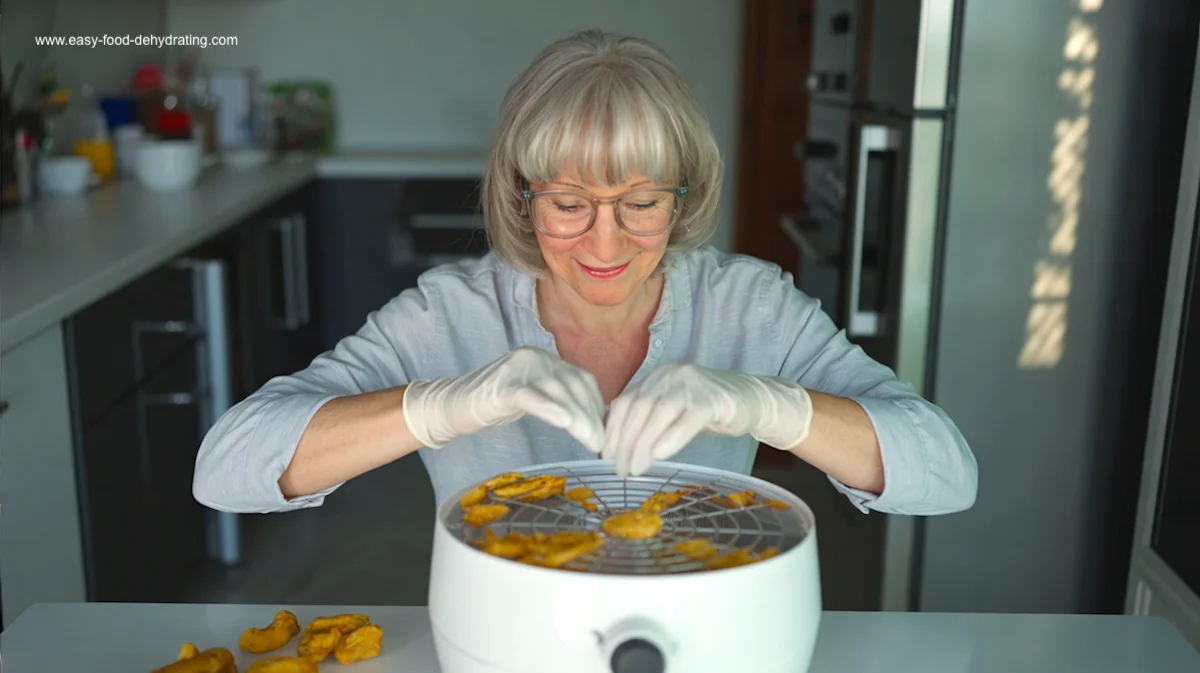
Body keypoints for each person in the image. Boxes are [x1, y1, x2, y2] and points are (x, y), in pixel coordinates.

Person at [193, 30, 977, 516]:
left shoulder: (754, 307)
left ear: (685, 196)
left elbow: (947, 474)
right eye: (569, 201)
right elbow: (226, 469)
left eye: (640, 201)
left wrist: (767, 403)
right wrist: (445, 404)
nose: (605, 241)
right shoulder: (447, 316)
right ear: (522, 195)